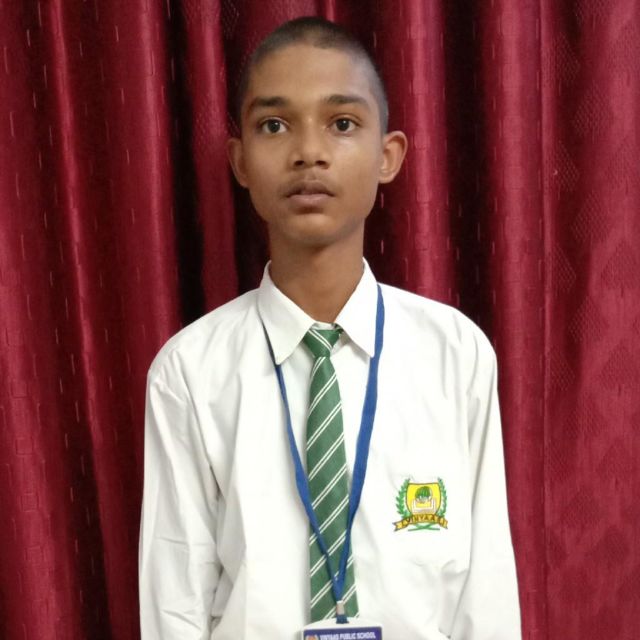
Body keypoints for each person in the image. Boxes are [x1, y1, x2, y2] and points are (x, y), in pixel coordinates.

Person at [138, 16, 521, 640]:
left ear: (388, 156)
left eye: (341, 123)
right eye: (274, 125)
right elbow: (174, 600)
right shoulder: (189, 372)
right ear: (239, 160)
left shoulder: (456, 353)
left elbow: (488, 593)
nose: (308, 152)